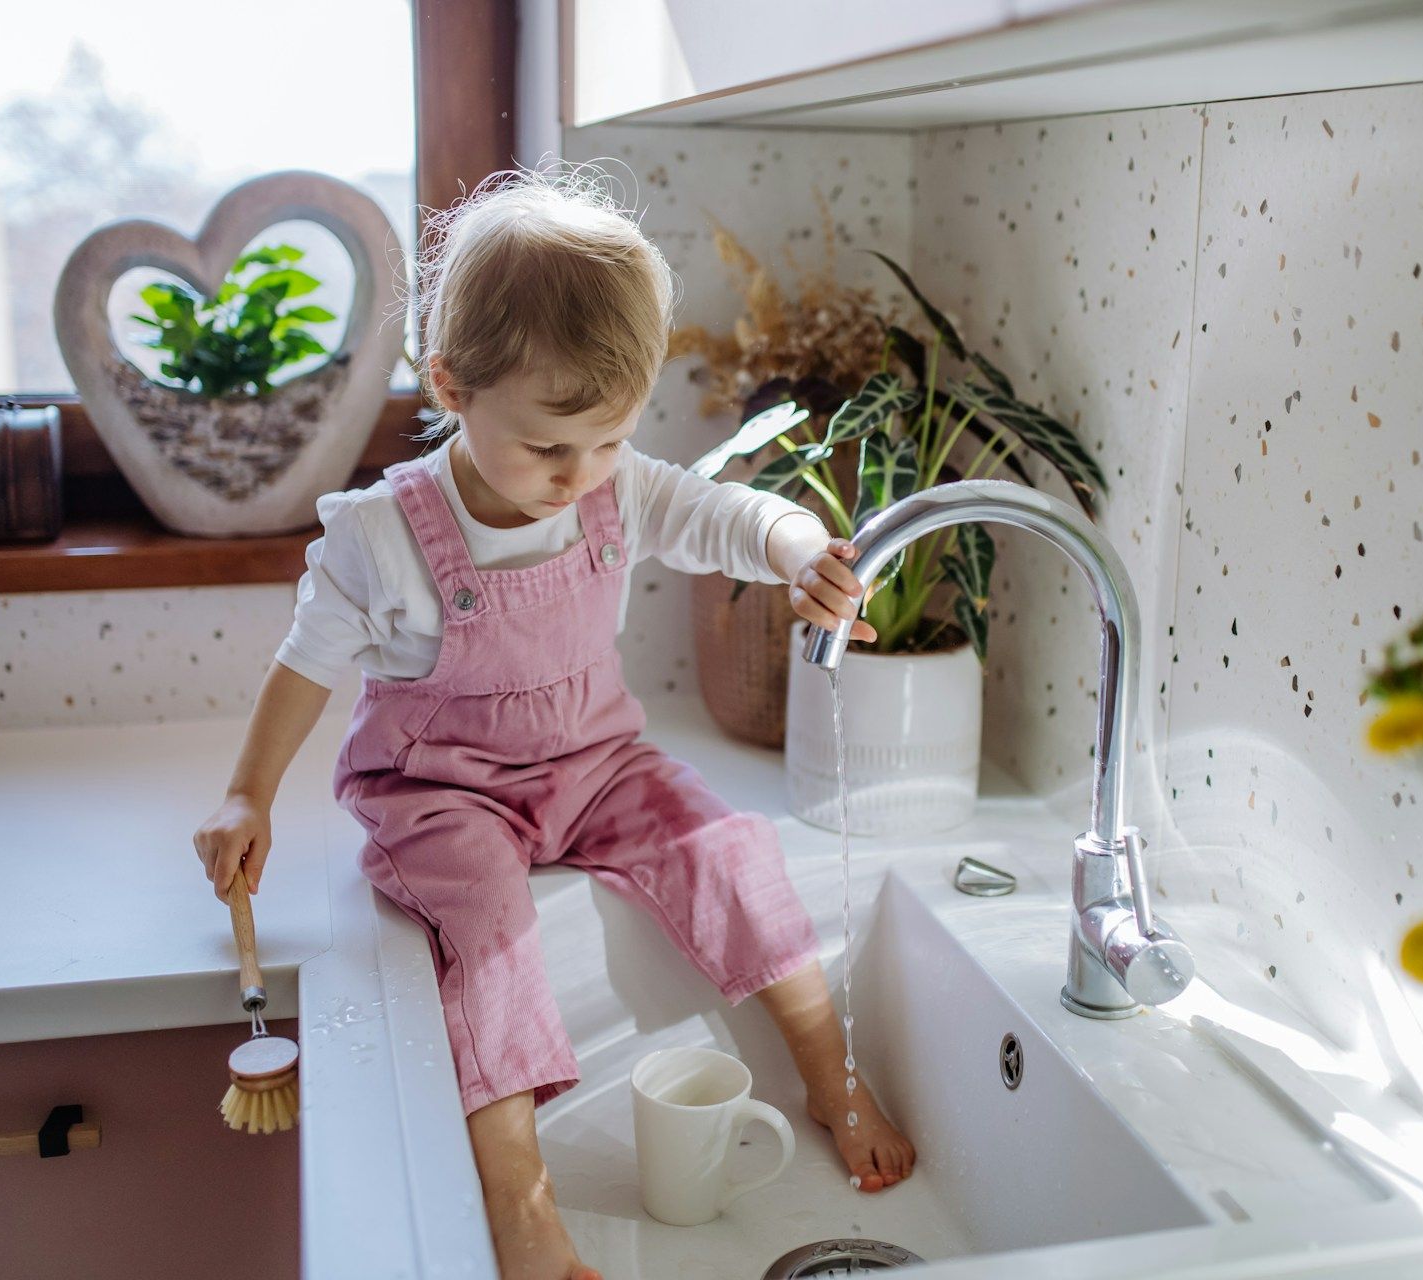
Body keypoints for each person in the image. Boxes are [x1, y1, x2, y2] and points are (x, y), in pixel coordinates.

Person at [193, 163, 915, 1280]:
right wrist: (247, 789)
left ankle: (831, 1075)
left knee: (726, 843)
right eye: (549, 447)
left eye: (612, 442)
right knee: (490, 927)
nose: (580, 477)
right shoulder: (382, 536)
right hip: (439, 789)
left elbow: (728, 514)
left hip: (593, 764)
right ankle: (522, 1208)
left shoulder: (612, 489)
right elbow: (306, 667)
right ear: (451, 385)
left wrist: (796, 549)